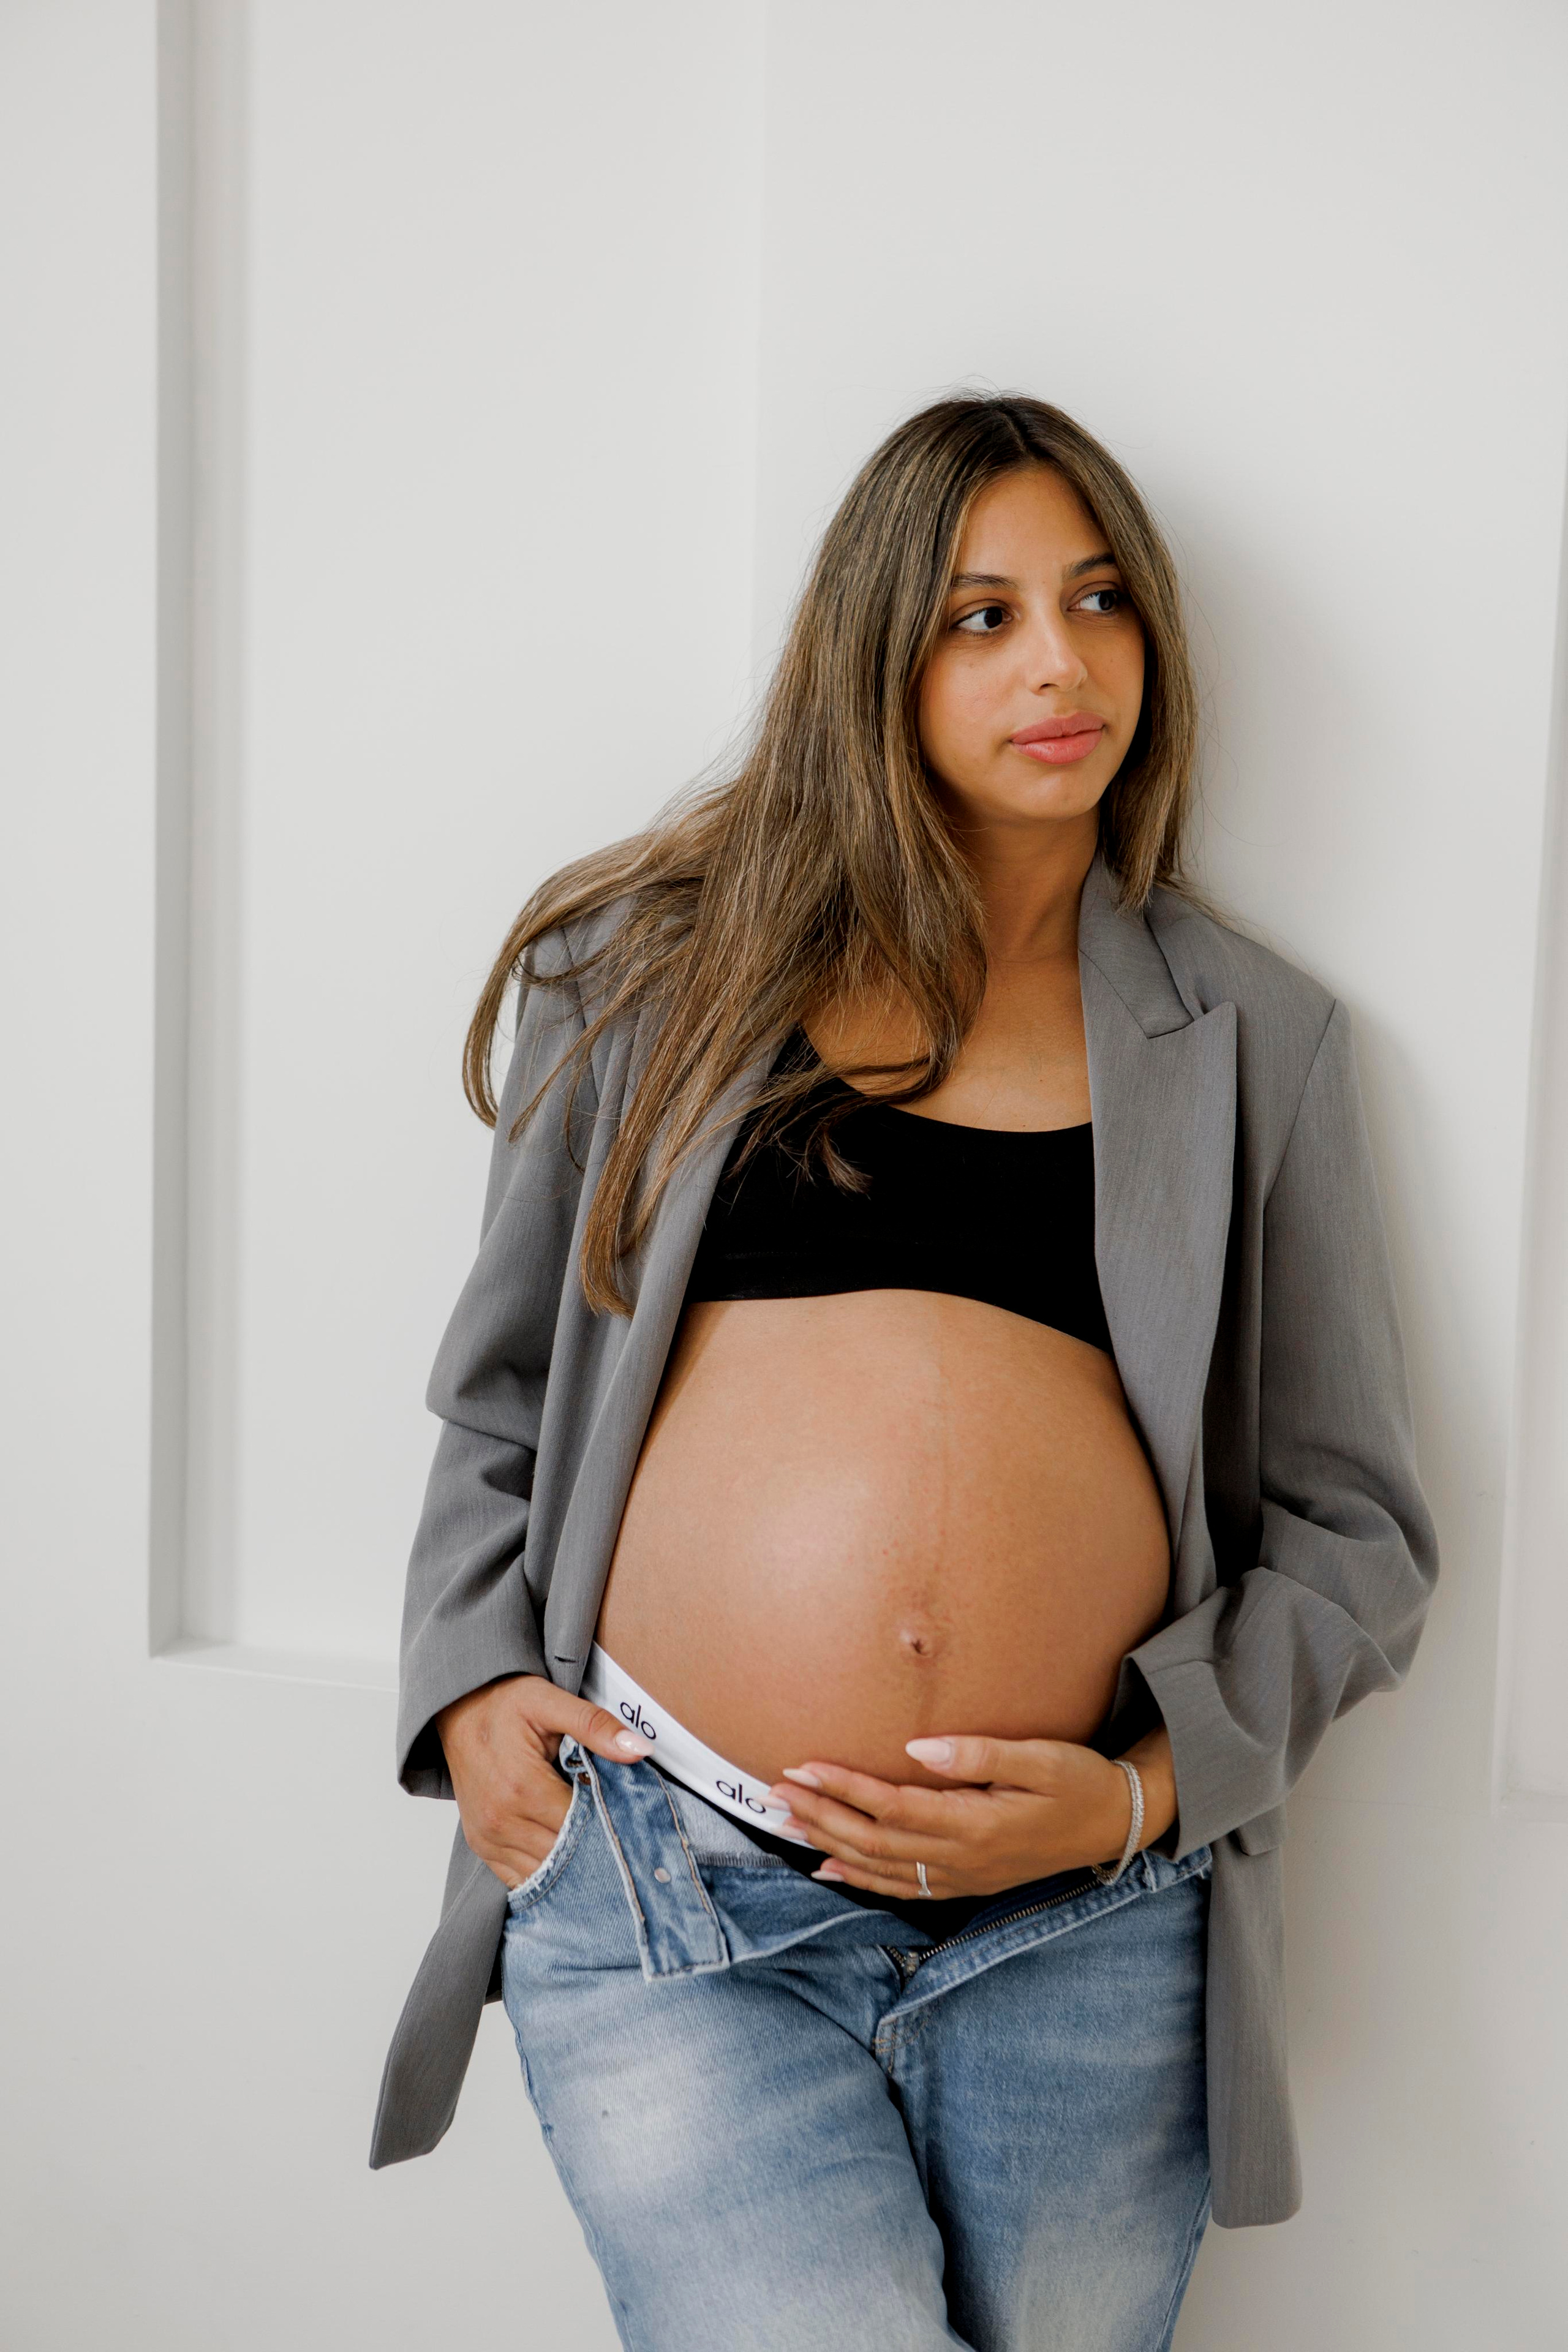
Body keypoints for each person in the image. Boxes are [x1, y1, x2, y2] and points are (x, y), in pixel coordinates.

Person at [370, 394, 1438, 2351]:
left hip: (1087, 1941)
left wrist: (1130, 1802)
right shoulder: (654, 975)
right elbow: (503, 1389)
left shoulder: (1250, 1043)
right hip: (674, 1884)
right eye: (981, 614)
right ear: (880, 647)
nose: (1061, 661)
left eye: (1101, 600)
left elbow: (1356, 1529)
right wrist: (468, 1679)